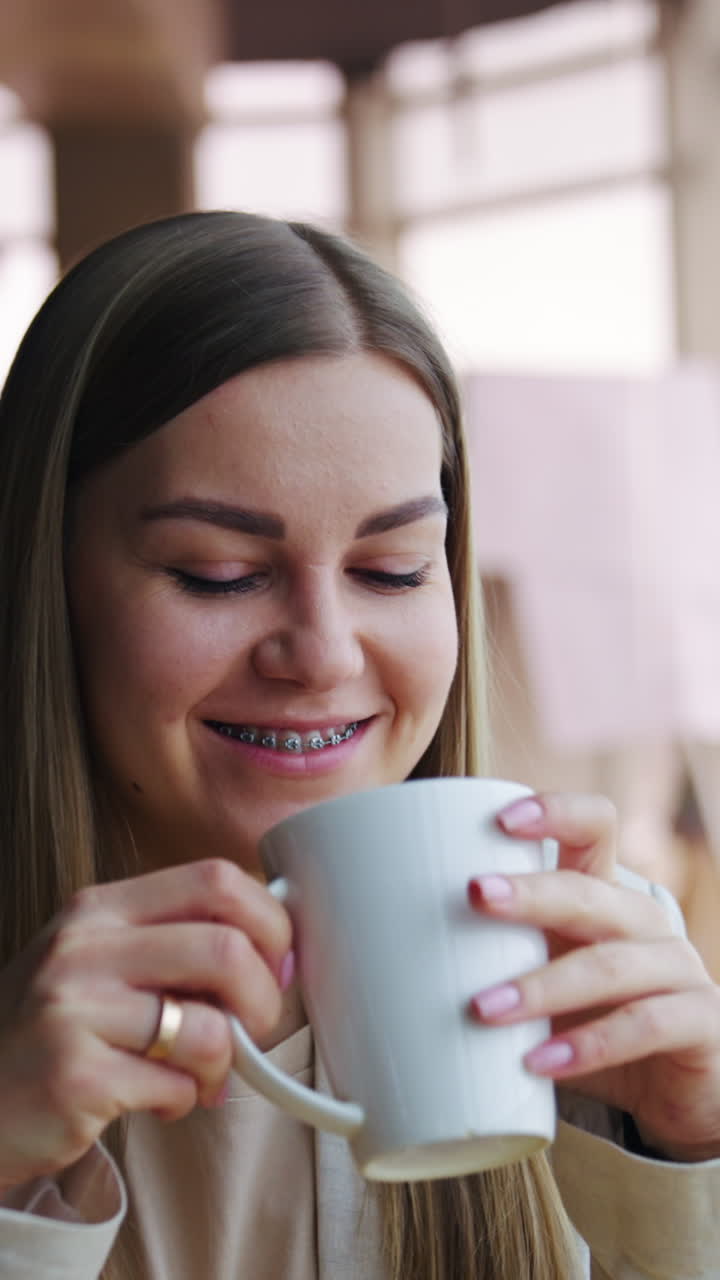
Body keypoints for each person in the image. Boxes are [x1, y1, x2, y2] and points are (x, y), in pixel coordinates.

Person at [0, 210, 718, 1280]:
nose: (325, 654)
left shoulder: (592, 981)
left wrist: (695, 1159)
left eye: (391, 569)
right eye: (216, 570)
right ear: (47, 579)